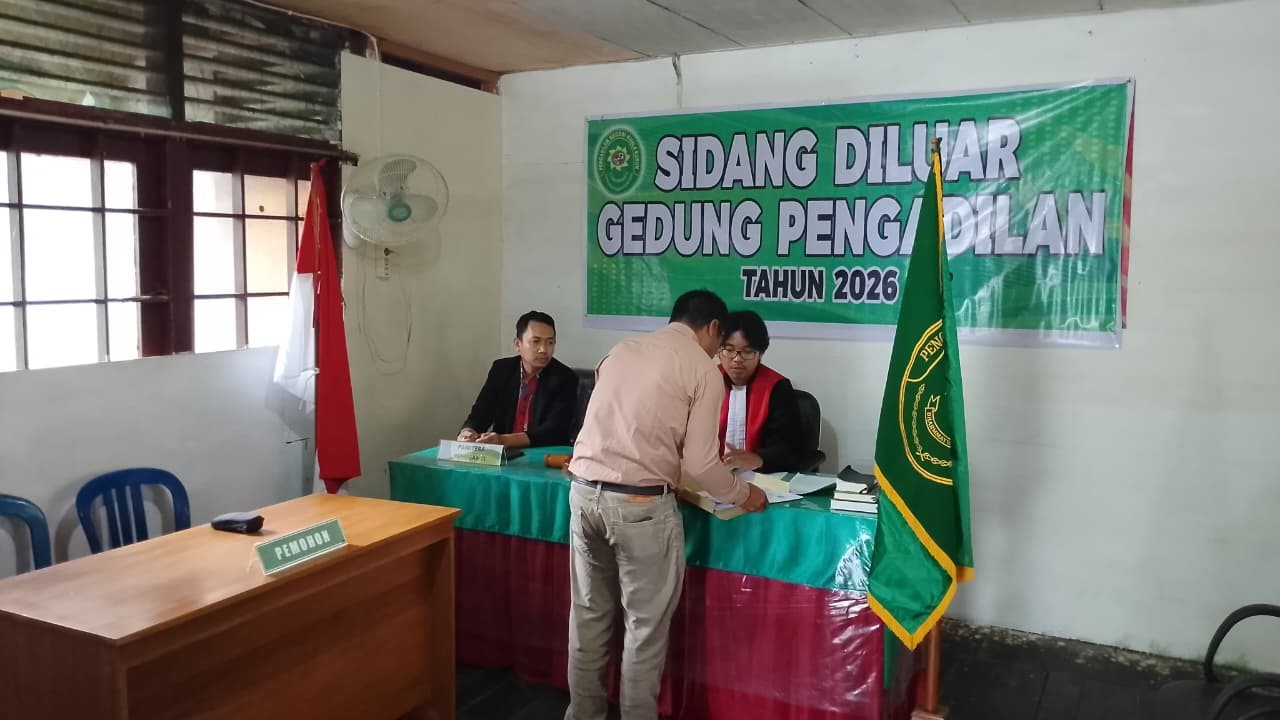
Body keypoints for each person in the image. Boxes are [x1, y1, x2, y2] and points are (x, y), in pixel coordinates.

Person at [565, 290, 768, 720]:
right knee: (644, 629)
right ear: (713, 328)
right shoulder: (701, 368)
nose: (722, 351)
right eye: (721, 340)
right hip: (639, 505)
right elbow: (700, 462)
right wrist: (744, 494)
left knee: (588, 616)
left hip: (583, 493)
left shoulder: (620, 350)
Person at [458, 311, 579, 449]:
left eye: (550, 342)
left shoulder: (565, 377)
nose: (544, 349)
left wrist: (504, 440)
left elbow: (554, 430)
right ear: (517, 344)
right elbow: (480, 413)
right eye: (536, 341)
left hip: (542, 454)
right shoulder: (501, 370)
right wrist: (468, 433)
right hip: (502, 453)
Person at [717, 310, 805, 474]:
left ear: (761, 354)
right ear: (718, 350)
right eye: (729, 349)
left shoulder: (778, 387)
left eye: (747, 351)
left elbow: (789, 447)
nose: (737, 359)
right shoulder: (706, 381)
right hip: (711, 479)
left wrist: (758, 459)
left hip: (763, 478)